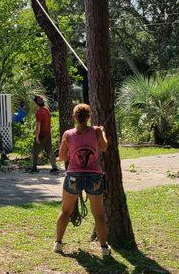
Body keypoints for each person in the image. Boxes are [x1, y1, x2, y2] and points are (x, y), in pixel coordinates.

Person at [54, 103, 111, 257]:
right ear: (88, 117)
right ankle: (104, 247)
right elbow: (104, 147)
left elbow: (62, 156)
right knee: (98, 213)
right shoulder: (97, 131)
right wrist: (103, 132)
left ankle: (58, 243)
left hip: (74, 176)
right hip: (94, 176)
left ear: (74, 117)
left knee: (65, 211)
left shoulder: (68, 134)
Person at [30, 95, 58, 173]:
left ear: (36, 103)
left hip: (41, 134)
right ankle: (54, 167)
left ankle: (33, 167)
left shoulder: (39, 112)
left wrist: (37, 136)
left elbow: (38, 125)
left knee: (34, 151)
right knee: (50, 150)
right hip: (48, 133)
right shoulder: (47, 110)